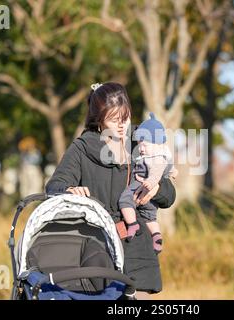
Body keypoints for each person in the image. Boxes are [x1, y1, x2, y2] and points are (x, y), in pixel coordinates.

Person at [45, 82, 176, 297]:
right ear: (99, 118)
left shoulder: (140, 143)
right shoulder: (82, 148)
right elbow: (54, 186)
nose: (123, 125)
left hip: (137, 249)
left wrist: (156, 189)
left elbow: (170, 196)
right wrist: (70, 190)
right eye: (114, 120)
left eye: (125, 117)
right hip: (97, 248)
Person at [118, 112, 177, 255]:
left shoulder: (151, 154)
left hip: (143, 189)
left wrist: (155, 187)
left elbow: (167, 191)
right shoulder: (148, 151)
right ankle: (156, 236)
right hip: (124, 227)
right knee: (150, 218)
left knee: (128, 202)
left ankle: (134, 225)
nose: (141, 148)